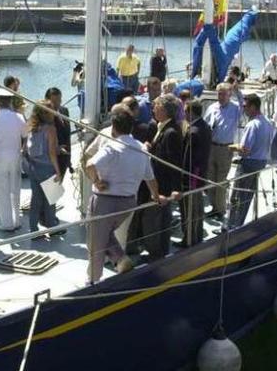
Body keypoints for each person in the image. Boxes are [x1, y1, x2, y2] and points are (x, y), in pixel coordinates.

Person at [85, 106, 163, 283]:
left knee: (95, 244)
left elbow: (90, 165)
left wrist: (97, 181)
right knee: (106, 235)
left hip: (105, 203)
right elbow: (150, 179)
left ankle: (92, 282)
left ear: (113, 127)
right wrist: (156, 197)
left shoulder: (112, 147)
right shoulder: (141, 149)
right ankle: (120, 258)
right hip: (128, 203)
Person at [139, 94, 183, 261]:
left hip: (162, 185)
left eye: (156, 106)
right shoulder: (162, 127)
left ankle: (157, 254)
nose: (153, 109)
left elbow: (174, 163)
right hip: (158, 182)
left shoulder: (170, 132)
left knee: (157, 220)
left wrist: (174, 189)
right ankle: (157, 250)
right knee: (157, 219)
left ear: (164, 110)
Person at [0, 88, 28, 232]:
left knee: (2, 191)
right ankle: (16, 221)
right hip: (15, 156)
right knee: (15, 189)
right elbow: (26, 135)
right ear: (9, 102)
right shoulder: (19, 118)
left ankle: (7, 224)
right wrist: (23, 149)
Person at [228, 94, 274, 227]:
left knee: (237, 196)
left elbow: (245, 149)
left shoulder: (252, 125)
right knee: (247, 197)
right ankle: (238, 224)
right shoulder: (267, 122)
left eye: (245, 106)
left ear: (253, 107)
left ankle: (231, 226)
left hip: (248, 164)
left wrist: (231, 147)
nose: (243, 109)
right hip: (260, 163)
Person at [203, 83, 241, 219]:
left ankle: (220, 209)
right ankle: (214, 207)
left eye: (224, 94)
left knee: (221, 180)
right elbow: (205, 124)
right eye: (219, 94)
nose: (221, 97)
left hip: (226, 148)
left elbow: (244, 105)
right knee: (211, 179)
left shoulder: (235, 108)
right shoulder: (212, 108)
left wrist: (238, 91)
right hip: (211, 146)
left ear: (229, 95)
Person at [25, 101, 64, 233]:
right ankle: (51, 226)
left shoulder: (31, 127)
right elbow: (52, 153)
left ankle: (33, 229)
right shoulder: (50, 129)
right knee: (51, 199)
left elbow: (25, 149)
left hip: (33, 167)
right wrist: (58, 172)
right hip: (47, 168)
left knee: (36, 200)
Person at [178, 99, 212, 246]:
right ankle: (196, 236)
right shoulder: (205, 127)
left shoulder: (193, 132)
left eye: (185, 111)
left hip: (191, 178)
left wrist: (182, 178)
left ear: (191, 113)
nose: (184, 114)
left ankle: (189, 239)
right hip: (200, 176)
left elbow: (187, 159)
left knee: (189, 210)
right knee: (197, 209)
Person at [45, 87, 72, 177]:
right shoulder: (43, 117)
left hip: (65, 157)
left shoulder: (64, 110)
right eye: (54, 101)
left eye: (59, 100)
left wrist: (69, 159)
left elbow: (67, 136)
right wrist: (56, 148)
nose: (57, 104)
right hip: (52, 161)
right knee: (51, 189)